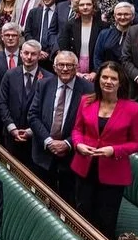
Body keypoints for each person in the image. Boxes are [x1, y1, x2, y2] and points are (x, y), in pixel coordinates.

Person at [69, 62, 138, 240]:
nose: (108, 81)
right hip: (84, 167)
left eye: (113, 78)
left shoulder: (133, 109)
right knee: (82, 214)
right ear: (98, 79)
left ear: (120, 82)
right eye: (104, 77)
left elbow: (137, 143)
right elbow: (77, 130)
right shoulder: (86, 101)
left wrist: (114, 150)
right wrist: (78, 144)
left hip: (113, 173)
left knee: (105, 220)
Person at [28, 50, 93, 198]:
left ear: (77, 68)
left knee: (67, 202)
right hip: (43, 153)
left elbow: (89, 125)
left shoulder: (88, 90)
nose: (65, 69)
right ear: (55, 67)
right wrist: (49, 141)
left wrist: (67, 143)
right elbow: (33, 116)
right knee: (41, 198)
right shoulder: (43, 84)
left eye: (69, 65)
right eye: (61, 65)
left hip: (71, 156)